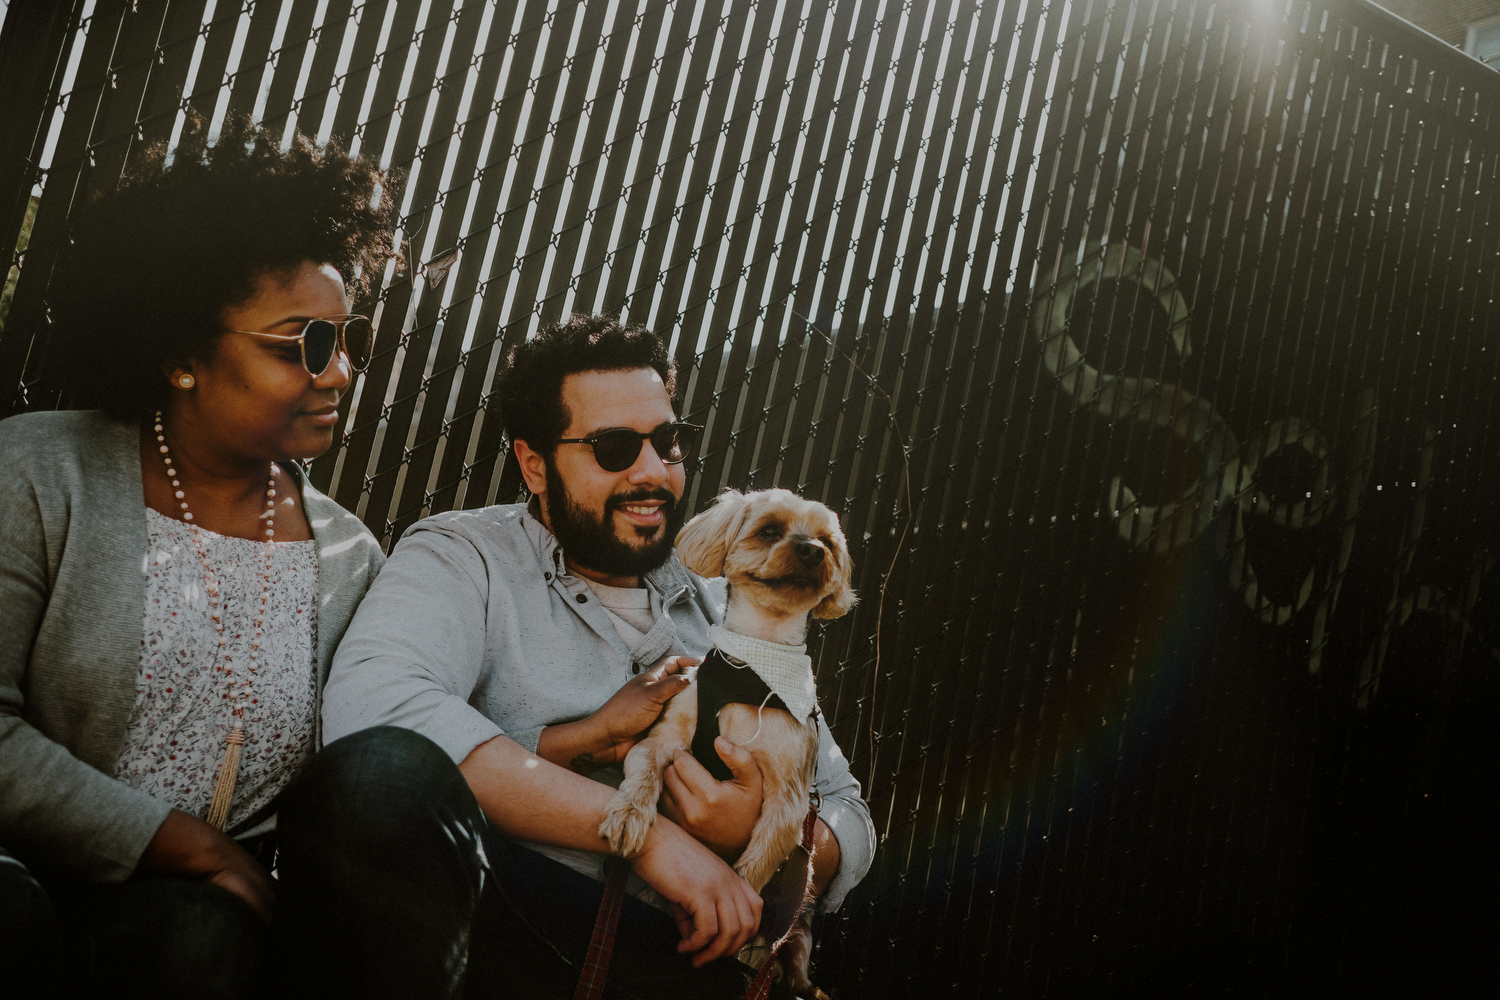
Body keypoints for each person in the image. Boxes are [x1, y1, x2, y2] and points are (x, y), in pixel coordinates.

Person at [309, 314, 876, 998]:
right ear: (534, 464)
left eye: (669, 443)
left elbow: (846, 805)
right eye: (613, 448)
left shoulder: (733, 604)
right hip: (499, 926)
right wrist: (642, 836)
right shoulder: (467, 556)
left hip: (688, 953)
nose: (652, 471)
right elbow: (377, 716)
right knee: (380, 772)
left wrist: (768, 837)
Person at [0, 115, 394, 997]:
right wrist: (184, 845)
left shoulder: (348, 557)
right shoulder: (37, 473)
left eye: (348, 339)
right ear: (181, 352)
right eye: (306, 343)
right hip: (20, 873)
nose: (340, 374)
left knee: (194, 944)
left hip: (203, 928)